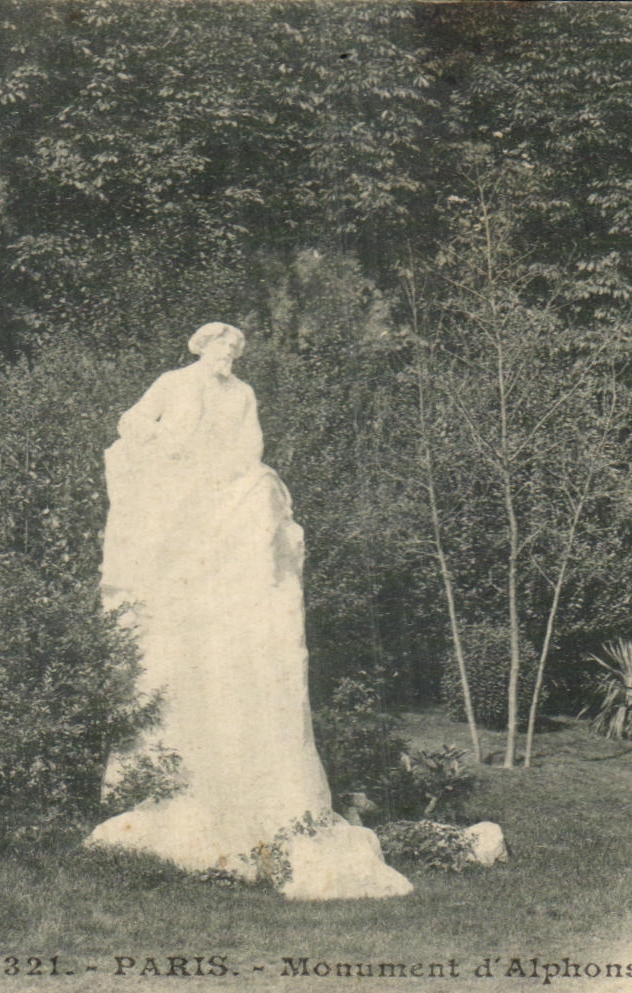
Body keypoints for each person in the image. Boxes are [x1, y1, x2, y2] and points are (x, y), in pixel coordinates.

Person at [88, 323, 411, 899]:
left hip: (222, 478)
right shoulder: (171, 382)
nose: (229, 358)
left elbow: (251, 444)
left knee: (259, 487)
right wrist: (164, 445)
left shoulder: (240, 394)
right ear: (202, 348)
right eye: (222, 348)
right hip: (176, 475)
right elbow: (132, 423)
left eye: (236, 351)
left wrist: (227, 464)